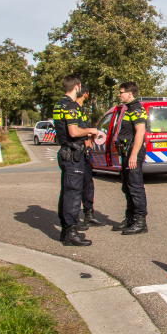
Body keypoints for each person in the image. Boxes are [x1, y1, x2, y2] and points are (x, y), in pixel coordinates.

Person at [53, 75, 98, 246]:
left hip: (66, 152)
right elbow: (73, 131)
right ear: (77, 87)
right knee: (73, 193)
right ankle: (71, 231)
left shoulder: (59, 105)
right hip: (73, 154)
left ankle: (66, 230)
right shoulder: (71, 106)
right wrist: (90, 130)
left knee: (66, 192)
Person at [111, 82, 149, 235]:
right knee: (127, 187)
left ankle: (141, 222)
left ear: (129, 93)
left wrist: (133, 155)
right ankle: (130, 218)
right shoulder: (128, 108)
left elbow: (140, 132)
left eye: (121, 92)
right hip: (126, 152)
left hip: (133, 152)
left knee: (135, 187)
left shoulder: (137, 109)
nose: (119, 95)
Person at [75, 84, 103, 227]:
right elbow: (76, 130)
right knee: (75, 186)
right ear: (85, 94)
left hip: (85, 151)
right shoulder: (72, 109)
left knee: (88, 184)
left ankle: (88, 214)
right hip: (76, 151)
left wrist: (90, 139)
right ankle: (74, 219)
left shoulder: (81, 110)